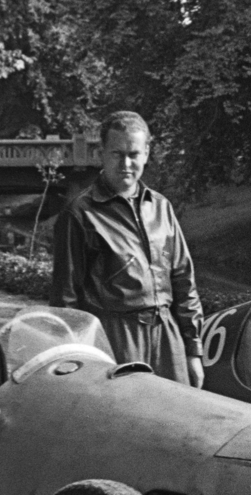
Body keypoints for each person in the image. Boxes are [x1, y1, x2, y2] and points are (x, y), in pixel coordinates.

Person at [50, 111, 205, 387]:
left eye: (134, 154)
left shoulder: (161, 207)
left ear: (146, 153)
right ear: (101, 154)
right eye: (117, 154)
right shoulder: (80, 214)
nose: (126, 164)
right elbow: (66, 299)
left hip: (168, 337)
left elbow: (183, 280)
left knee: (175, 420)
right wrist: (73, 361)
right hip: (115, 336)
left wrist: (193, 350)